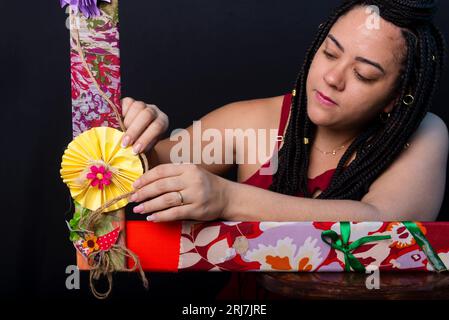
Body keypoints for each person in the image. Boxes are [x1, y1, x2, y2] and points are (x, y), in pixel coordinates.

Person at [119, 0, 448, 225]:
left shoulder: (423, 134)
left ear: (396, 96)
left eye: (363, 75)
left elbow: (384, 222)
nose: (332, 78)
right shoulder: (250, 122)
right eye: (330, 53)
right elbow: (140, 173)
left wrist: (228, 198)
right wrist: (139, 136)